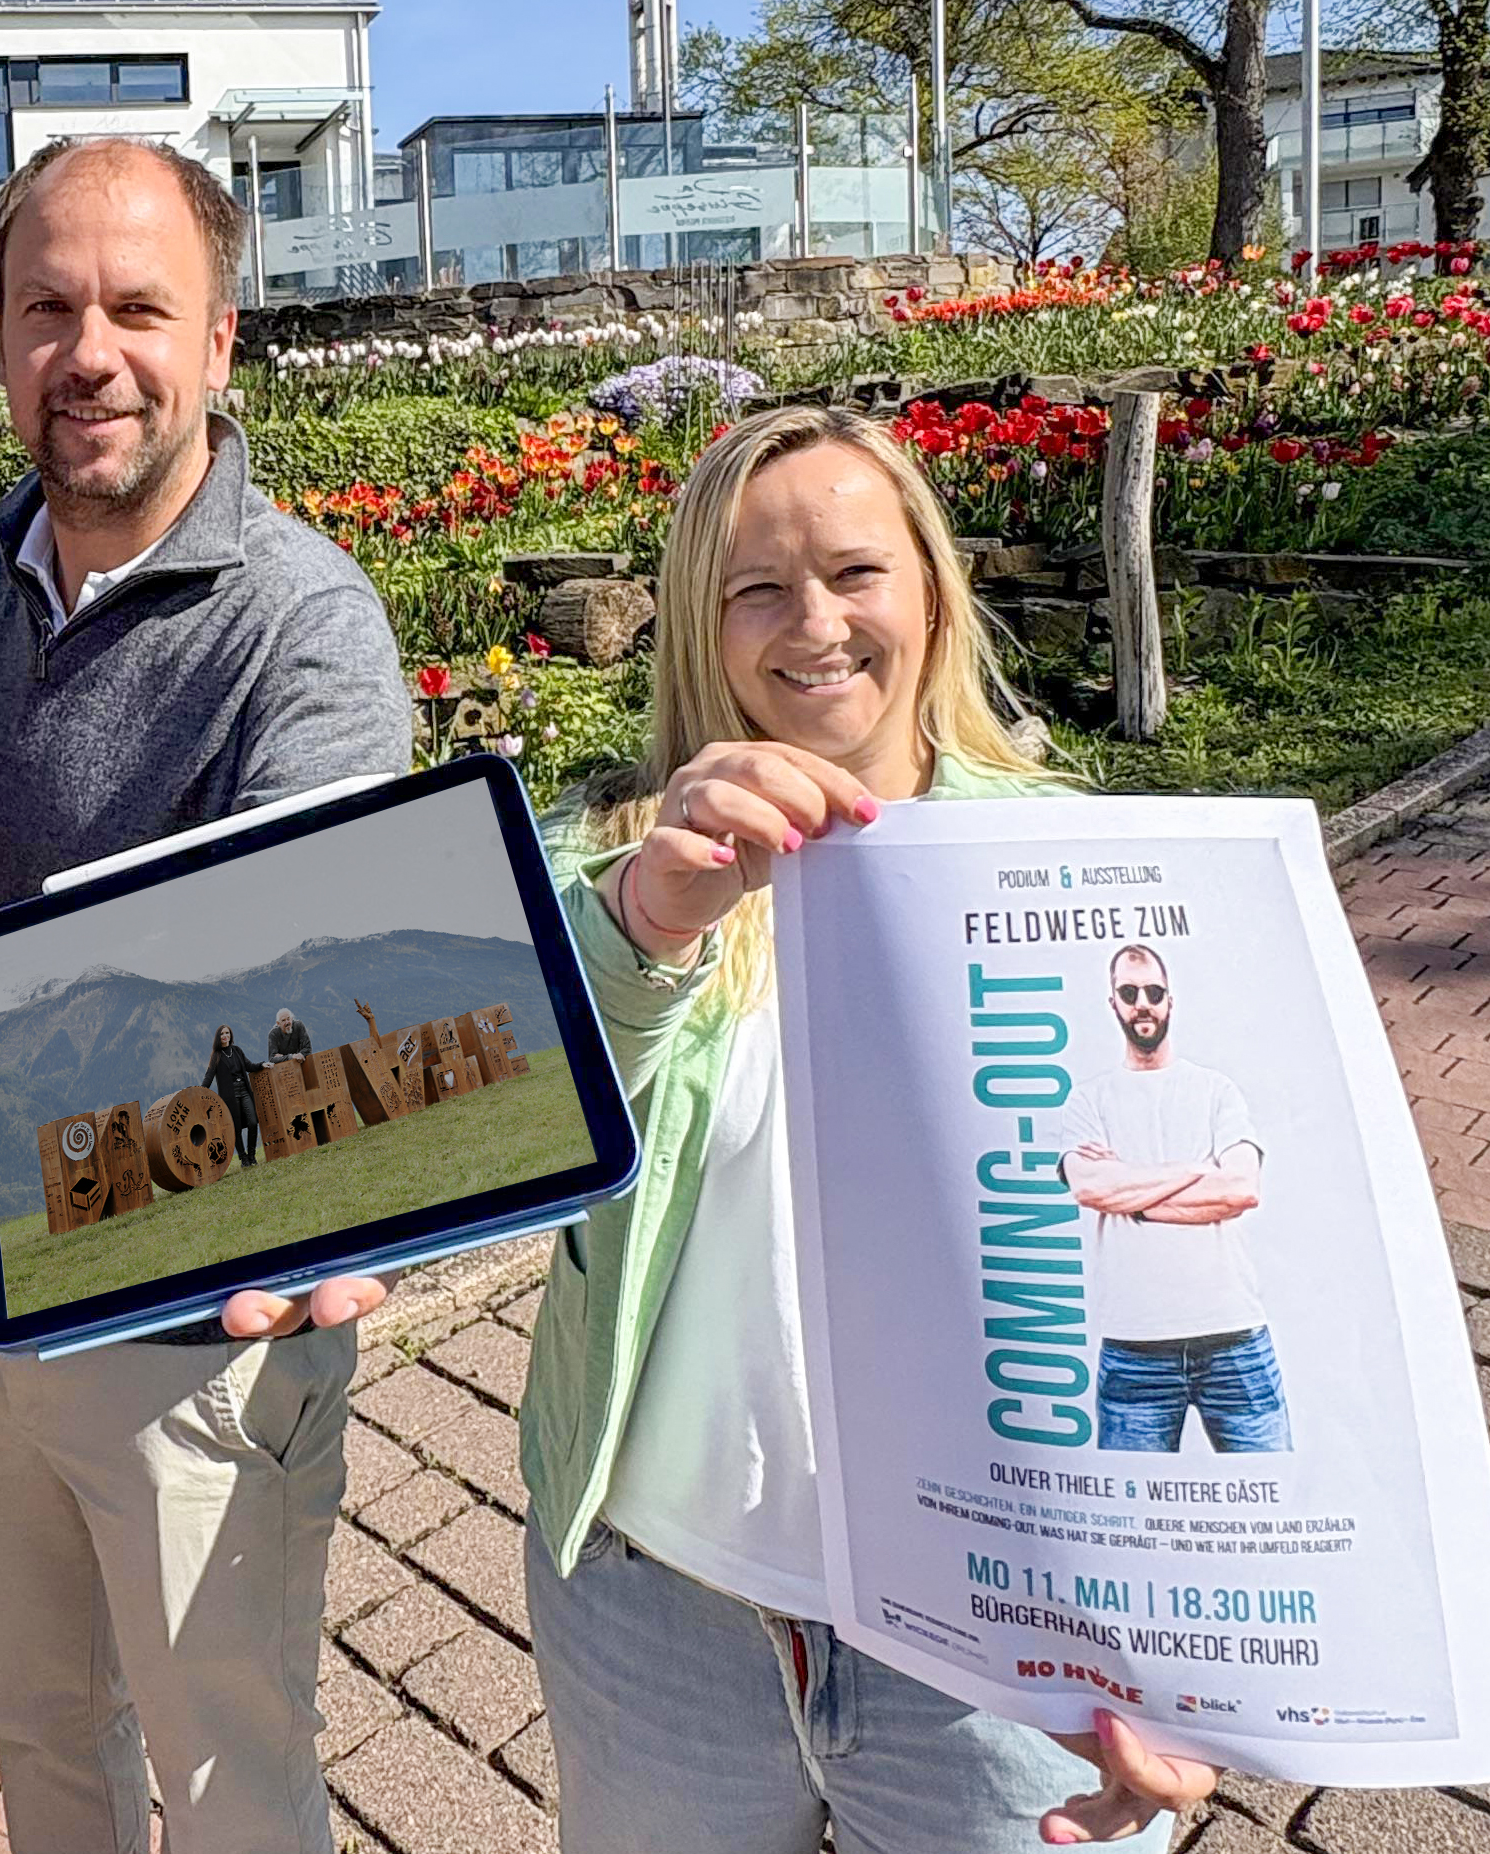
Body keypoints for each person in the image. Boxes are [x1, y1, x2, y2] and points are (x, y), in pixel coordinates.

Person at [516, 406, 1218, 1852]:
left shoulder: (1080, 878)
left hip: (997, 1627)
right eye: (755, 589)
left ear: (932, 595)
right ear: (700, 631)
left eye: (854, 572)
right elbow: (520, 1124)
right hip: (658, 1605)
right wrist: (647, 924)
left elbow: (1186, 1241)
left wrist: (1184, 1628)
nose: (814, 624)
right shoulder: (614, 870)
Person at [0, 134, 409, 1854]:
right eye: (46, 308)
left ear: (218, 339)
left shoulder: (301, 627)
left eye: (138, 307)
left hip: (190, 1338)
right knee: (42, 1734)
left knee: (230, 1779)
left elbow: (311, 981)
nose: (89, 352)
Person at [1060, 944, 1286, 1453]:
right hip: (1134, 1347)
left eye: (1153, 992)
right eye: (1129, 992)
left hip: (1235, 1337)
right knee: (1135, 1503)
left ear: (1170, 1000)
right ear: (1113, 1003)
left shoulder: (1215, 1090)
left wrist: (1131, 1196)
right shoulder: (1088, 1100)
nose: (1142, 1003)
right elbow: (1090, 1188)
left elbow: (1240, 1189)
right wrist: (1195, 1168)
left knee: (1272, 1490)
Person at [202, 1024, 261, 1166]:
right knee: (236, 1127)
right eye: (222, 1034)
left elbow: (249, 1066)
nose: (225, 1036)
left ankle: (252, 1155)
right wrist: (200, 1090)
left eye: (227, 1033)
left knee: (253, 1122)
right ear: (218, 1037)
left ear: (230, 1035)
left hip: (244, 1090)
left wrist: (263, 1065)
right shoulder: (216, 1056)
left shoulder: (237, 1050)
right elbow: (209, 1076)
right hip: (230, 1095)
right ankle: (243, 1158)